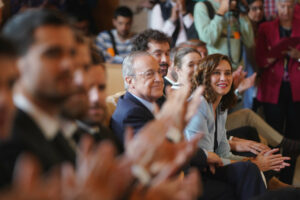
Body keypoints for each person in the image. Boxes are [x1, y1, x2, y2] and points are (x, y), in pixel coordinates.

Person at [184, 54, 291, 197]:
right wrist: (253, 163)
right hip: (197, 172)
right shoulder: (199, 105)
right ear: (205, 76)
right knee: (250, 169)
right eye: (217, 73)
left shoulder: (220, 105)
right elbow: (209, 159)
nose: (224, 78)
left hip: (214, 166)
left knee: (254, 163)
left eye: (227, 73)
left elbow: (223, 153)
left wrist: (254, 160)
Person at [2, 9, 77, 172]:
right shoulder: (8, 135)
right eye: (53, 53)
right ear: (16, 62)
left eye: (71, 54)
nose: (68, 65)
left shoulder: (54, 127)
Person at [255, 0, 300, 140]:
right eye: (282, 7)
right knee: (273, 130)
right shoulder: (265, 27)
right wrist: (271, 57)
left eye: (289, 7)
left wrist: (299, 56)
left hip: (297, 86)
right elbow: (259, 58)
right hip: (273, 85)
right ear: (275, 7)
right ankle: (275, 162)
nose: (286, 11)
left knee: (296, 129)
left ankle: (291, 161)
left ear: (295, 7)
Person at [110, 51, 164, 143]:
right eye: (149, 74)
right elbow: (159, 150)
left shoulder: (158, 101)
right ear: (130, 81)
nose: (159, 79)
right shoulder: (131, 114)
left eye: (159, 72)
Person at [193, 0, 254, 69]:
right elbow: (208, 39)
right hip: (215, 70)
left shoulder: (235, 6)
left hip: (238, 70)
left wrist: (242, 14)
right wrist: (221, 11)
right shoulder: (203, 6)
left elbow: (249, 42)